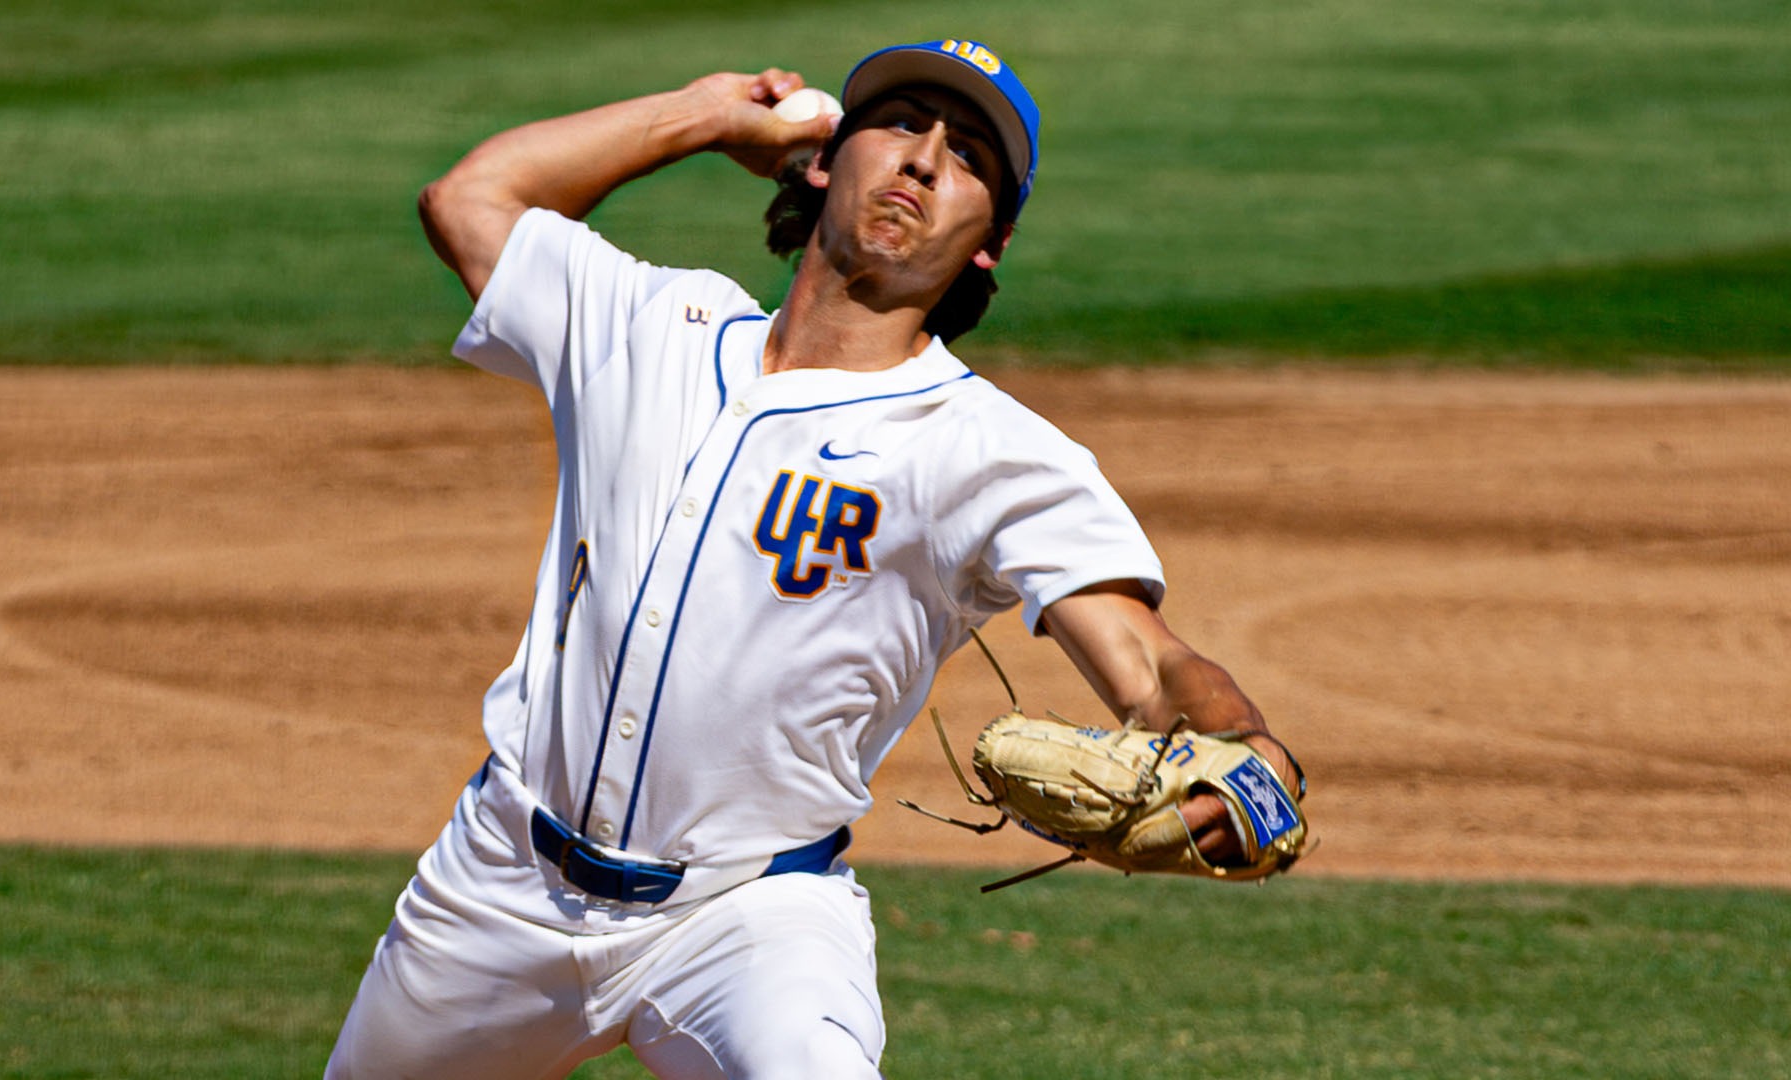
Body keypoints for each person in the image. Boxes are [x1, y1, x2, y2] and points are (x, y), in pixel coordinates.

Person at [325, 39, 1299, 1080]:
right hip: (498, 885)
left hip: (751, 921)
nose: (924, 161)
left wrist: (1250, 755)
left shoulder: (991, 452)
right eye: (900, 126)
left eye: (967, 156)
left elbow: (1150, 664)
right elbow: (470, 200)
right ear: (827, 159)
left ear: (990, 244)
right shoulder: (652, 325)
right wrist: (707, 115)